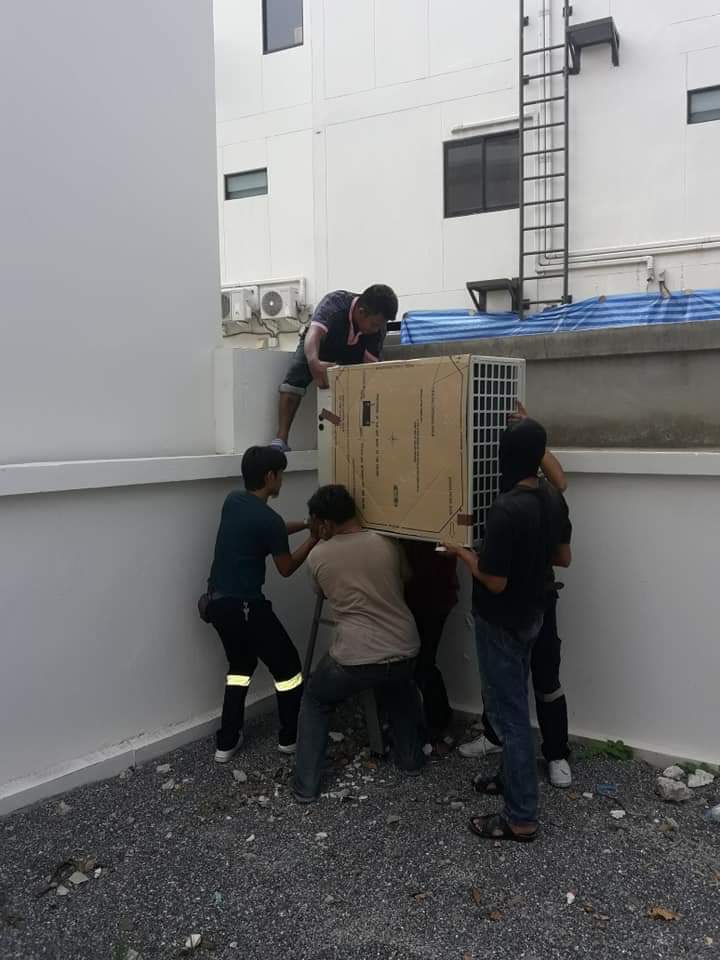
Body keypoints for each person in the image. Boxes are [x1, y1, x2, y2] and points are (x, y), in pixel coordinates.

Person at [445, 418, 572, 842]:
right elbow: (563, 557)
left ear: (504, 458)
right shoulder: (552, 498)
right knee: (515, 701)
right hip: (535, 613)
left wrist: (463, 553)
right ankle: (508, 779)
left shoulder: (506, 509)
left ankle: (520, 817)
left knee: (510, 719)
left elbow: (495, 581)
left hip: (501, 621)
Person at [293, 485, 425, 802]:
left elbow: (322, 591)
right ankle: (411, 760)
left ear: (325, 523)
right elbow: (406, 576)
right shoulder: (386, 542)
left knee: (315, 698)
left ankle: (305, 787)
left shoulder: (318, 555)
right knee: (400, 692)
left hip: (355, 657)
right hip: (405, 647)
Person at [205, 445, 317, 762]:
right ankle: (290, 737)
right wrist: (315, 538)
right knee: (289, 669)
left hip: (217, 604)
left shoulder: (233, 502)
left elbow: (272, 530)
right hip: (246, 608)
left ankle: (226, 742)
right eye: (281, 474)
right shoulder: (269, 520)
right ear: (270, 476)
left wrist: (306, 524)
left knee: (240, 668)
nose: (282, 480)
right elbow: (286, 568)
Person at [272, 284, 398, 452]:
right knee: (295, 379)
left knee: (360, 393)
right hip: (320, 345)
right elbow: (313, 335)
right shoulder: (334, 304)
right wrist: (314, 363)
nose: (376, 329)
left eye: (380, 326)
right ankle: (281, 439)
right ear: (361, 312)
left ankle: (345, 437)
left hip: (352, 352)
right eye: (374, 324)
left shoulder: (378, 330)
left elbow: (370, 370)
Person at [401, 539, 459, 752]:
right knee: (415, 663)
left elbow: (452, 545)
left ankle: (439, 725)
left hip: (432, 594)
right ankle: (428, 723)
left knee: (423, 665)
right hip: (409, 595)